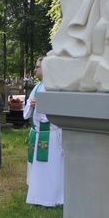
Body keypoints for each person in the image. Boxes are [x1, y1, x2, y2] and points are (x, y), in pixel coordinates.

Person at [24, 57, 64, 206]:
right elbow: (28, 107)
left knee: (50, 169)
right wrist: (33, 105)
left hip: (50, 134)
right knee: (38, 168)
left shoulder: (54, 87)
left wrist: (41, 104)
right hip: (38, 133)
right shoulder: (37, 86)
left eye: (37, 67)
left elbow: (59, 108)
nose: (35, 70)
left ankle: (51, 197)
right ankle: (38, 195)